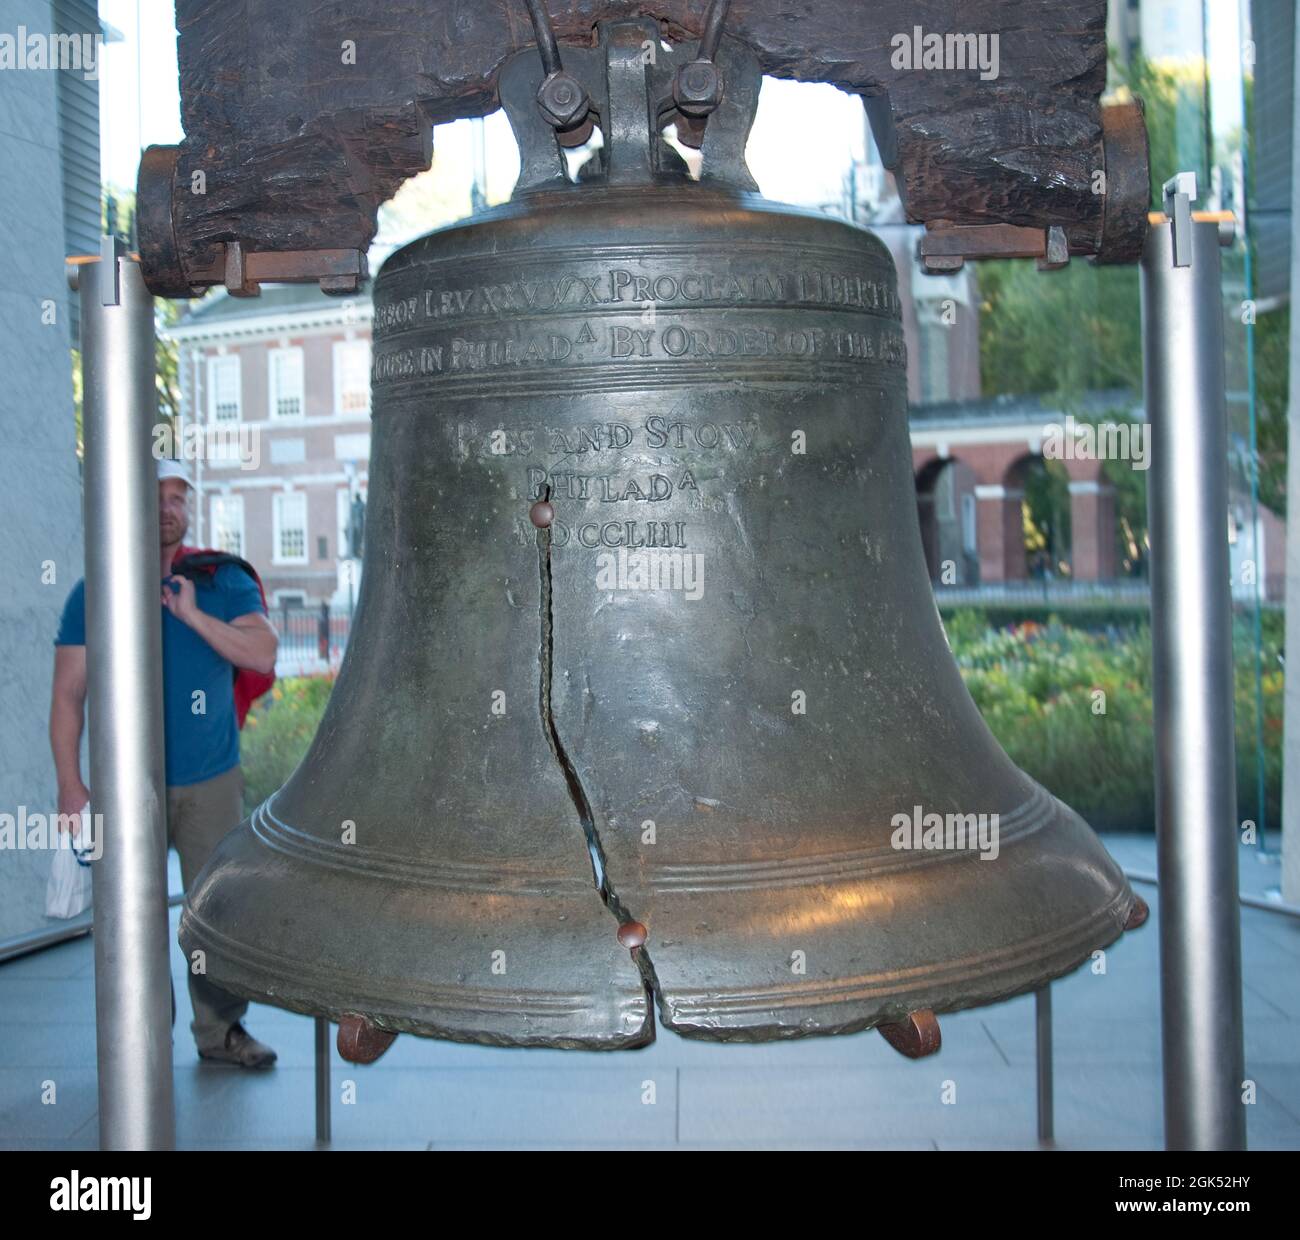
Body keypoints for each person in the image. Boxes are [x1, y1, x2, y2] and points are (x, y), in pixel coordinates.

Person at [49, 458, 281, 1068]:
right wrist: (70, 784)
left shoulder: (221, 581)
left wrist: (194, 615)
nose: (171, 507)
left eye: (181, 497)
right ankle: (145, 1037)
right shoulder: (96, 590)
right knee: (134, 919)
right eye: (159, 495)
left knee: (214, 915)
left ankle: (221, 1033)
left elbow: (261, 653)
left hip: (211, 779)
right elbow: (68, 696)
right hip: (128, 788)